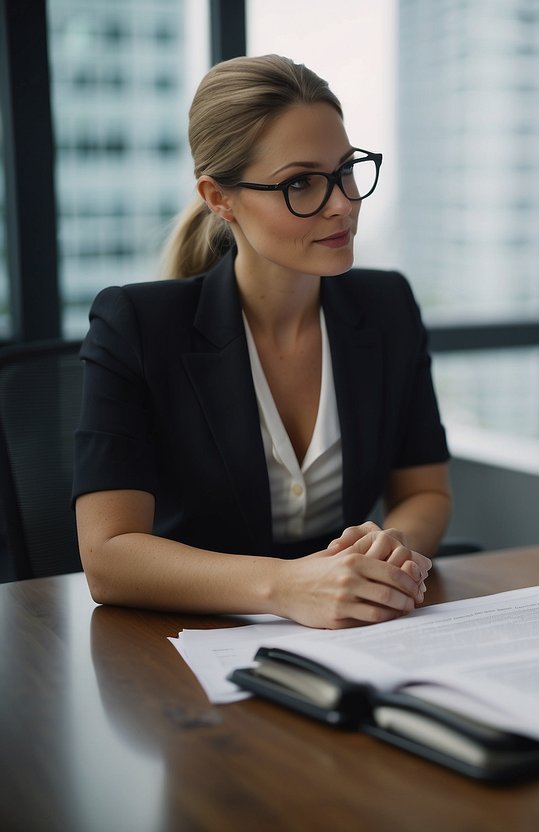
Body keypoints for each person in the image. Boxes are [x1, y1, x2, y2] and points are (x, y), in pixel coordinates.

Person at [74, 55, 452, 629]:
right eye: (301, 182)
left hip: (357, 631)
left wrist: (397, 546)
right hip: (185, 643)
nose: (343, 203)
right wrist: (284, 586)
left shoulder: (387, 307)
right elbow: (108, 555)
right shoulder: (137, 324)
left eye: (347, 169)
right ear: (219, 198)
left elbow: (426, 491)